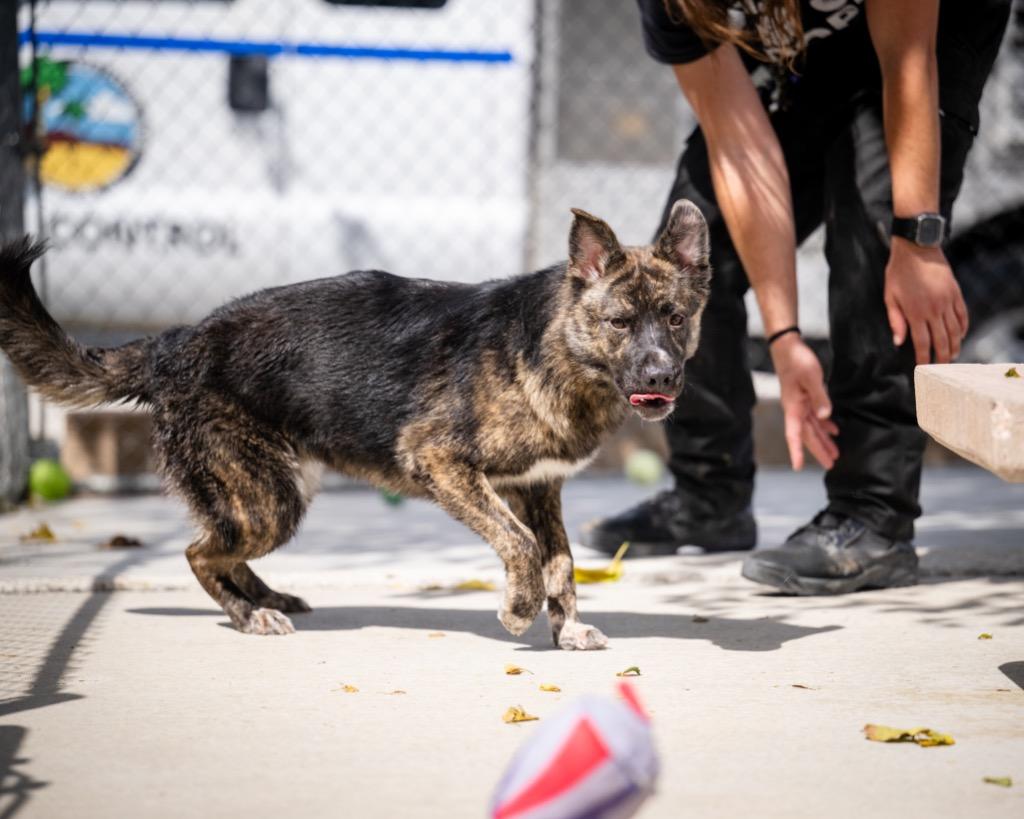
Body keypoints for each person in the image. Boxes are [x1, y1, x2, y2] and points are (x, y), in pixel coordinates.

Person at [582, 0, 1011, 594]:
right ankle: (710, 495)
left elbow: (908, 62)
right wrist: (784, 338)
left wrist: (919, 240)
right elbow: (741, 154)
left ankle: (873, 517)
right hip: (809, 57)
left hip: (926, 36)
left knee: (874, 248)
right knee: (690, 263)